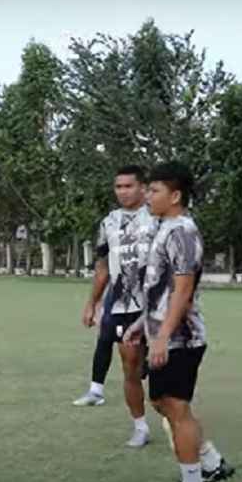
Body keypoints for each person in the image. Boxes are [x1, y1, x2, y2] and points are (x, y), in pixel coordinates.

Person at [125, 162, 234, 482]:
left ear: (175, 196)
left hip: (180, 338)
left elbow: (183, 291)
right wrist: (143, 323)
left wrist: (163, 337)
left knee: (174, 405)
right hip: (163, 331)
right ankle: (212, 464)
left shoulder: (182, 232)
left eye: (154, 191)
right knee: (164, 403)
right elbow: (161, 287)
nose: (147, 196)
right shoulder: (165, 227)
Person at [77, 166, 155, 446]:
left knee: (164, 367)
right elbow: (102, 268)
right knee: (130, 367)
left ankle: (176, 415)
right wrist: (92, 303)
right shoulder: (108, 222)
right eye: (118, 187)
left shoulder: (158, 218)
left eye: (128, 186)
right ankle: (140, 427)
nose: (122, 192)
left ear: (143, 188)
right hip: (123, 303)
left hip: (159, 304)